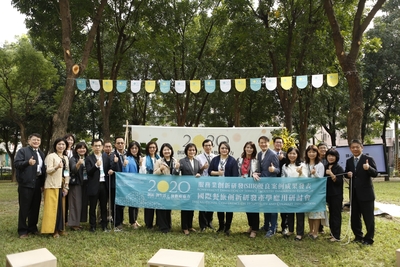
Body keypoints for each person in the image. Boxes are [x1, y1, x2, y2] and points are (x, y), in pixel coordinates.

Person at [345, 139, 378, 245]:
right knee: (355, 216)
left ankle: (369, 238)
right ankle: (358, 236)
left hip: (366, 194)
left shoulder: (368, 159)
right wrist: (348, 174)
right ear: (350, 149)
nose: (355, 149)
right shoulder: (349, 161)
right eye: (352, 147)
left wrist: (368, 168)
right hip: (353, 194)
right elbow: (347, 173)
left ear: (361, 147)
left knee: (368, 217)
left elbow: (375, 173)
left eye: (357, 147)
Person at [14, 133, 46, 238]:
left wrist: (42, 184)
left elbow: (43, 170)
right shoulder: (22, 151)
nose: (36, 141)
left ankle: (32, 228)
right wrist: (28, 162)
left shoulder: (41, 153)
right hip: (26, 184)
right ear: (29, 141)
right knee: (24, 207)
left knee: (35, 207)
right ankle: (22, 230)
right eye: (34, 140)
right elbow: (17, 164)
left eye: (38, 140)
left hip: (37, 183)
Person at [41, 138, 70, 238]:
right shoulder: (51, 156)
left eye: (63, 144)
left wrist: (66, 186)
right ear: (55, 146)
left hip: (61, 186)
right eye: (59, 144)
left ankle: (60, 228)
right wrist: (57, 167)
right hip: (52, 185)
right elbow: (48, 170)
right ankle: (52, 230)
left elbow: (67, 173)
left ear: (65, 146)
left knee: (61, 209)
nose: (61, 146)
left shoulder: (65, 158)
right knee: (52, 209)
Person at [208, 141, 239, 236]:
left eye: (226, 148)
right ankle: (221, 225)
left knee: (229, 207)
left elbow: (235, 175)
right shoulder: (215, 159)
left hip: (229, 188)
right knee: (219, 206)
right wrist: (217, 173)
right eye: (222, 148)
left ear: (229, 150)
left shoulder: (232, 160)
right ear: (219, 149)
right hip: (217, 187)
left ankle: (228, 227)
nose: (224, 150)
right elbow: (209, 171)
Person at [281, 147, 307, 241]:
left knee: (299, 213)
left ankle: (299, 233)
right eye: (290, 153)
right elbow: (283, 178)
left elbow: (305, 179)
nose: (292, 155)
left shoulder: (302, 165)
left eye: (294, 154)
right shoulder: (285, 166)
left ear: (298, 155)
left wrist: (300, 173)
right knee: (290, 212)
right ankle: (291, 230)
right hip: (288, 192)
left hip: (299, 192)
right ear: (287, 155)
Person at [85, 139, 111, 232]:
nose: (97, 147)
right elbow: (89, 172)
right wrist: (96, 165)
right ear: (92, 147)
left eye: (99, 145)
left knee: (103, 207)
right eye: (95, 145)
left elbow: (109, 168)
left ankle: (104, 225)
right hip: (94, 185)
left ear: (102, 147)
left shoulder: (106, 157)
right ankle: (92, 225)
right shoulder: (88, 158)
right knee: (92, 207)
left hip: (104, 184)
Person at [154, 143, 180, 233]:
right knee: (161, 207)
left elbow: (178, 175)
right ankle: (163, 227)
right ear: (162, 151)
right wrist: (160, 169)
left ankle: (168, 225)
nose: (167, 151)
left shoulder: (175, 161)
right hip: (161, 187)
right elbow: (154, 174)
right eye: (164, 150)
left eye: (168, 149)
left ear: (171, 151)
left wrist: (177, 169)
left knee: (168, 207)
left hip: (171, 188)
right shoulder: (158, 161)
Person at [257, 136, 280, 238]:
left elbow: (278, 170)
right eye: (261, 143)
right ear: (259, 144)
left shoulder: (273, 154)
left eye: (265, 143)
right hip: (263, 184)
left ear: (268, 143)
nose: (263, 144)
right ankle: (266, 225)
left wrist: (273, 170)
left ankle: (273, 227)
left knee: (272, 207)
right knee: (266, 205)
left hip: (272, 185)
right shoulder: (259, 154)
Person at [237, 141, 260, 238]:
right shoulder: (239, 160)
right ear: (244, 148)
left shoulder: (256, 161)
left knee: (254, 208)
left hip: (253, 188)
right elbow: (237, 172)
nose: (249, 149)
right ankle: (251, 226)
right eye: (247, 147)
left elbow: (259, 172)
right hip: (243, 188)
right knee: (247, 208)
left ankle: (255, 229)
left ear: (254, 150)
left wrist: (256, 174)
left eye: (251, 148)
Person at [179, 143, 201, 235]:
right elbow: (177, 172)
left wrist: (199, 174)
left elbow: (198, 172)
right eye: (190, 150)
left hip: (194, 188)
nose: (192, 151)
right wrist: (176, 168)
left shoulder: (197, 161)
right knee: (185, 208)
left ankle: (190, 225)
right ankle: (184, 227)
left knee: (192, 207)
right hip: (185, 188)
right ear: (186, 151)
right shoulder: (182, 161)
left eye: (193, 150)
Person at [304, 145, 325, 240]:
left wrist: (315, 173)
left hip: (317, 192)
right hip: (307, 192)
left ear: (317, 153)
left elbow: (321, 179)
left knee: (316, 213)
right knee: (309, 212)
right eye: (309, 152)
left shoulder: (320, 165)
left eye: (313, 152)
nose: (311, 154)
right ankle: (310, 230)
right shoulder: (304, 164)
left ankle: (315, 232)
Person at [68, 142, 89, 231]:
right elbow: (73, 170)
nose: (82, 150)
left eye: (84, 148)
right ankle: (73, 224)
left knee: (83, 203)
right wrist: (78, 164)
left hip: (85, 183)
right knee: (75, 203)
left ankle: (79, 221)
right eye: (80, 148)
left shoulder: (88, 158)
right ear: (76, 150)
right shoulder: (73, 158)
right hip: (76, 183)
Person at [325, 148, 344, 242]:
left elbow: (339, 182)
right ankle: (332, 233)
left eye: (333, 156)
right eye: (329, 156)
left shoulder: (339, 168)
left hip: (336, 195)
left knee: (336, 215)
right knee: (331, 214)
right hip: (328, 195)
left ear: (336, 157)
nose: (331, 158)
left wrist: (331, 174)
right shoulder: (325, 166)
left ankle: (336, 236)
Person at [195, 139, 215, 231]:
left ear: (212, 146)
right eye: (206, 145)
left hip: (213, 183)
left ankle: (209, 222)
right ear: (203, 147)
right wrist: (202, 168)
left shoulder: (215, 157)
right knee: (202, 204)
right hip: (202, 183)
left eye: (209, 145)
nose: (208, 147)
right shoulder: (198, 158)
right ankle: (202, 224)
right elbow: (196, 171)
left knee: (211, 203)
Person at [109, 137, 128, 230]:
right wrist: (115, 163)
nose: (120, 144)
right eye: (118, 143)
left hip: (124, 184)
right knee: (115, 204)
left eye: (122, 143)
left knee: (122, 204)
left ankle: (121, 220)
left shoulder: (126, 155)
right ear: (115, 145)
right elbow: (111, 168)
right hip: (115, 184)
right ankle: (116, 223)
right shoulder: (113, 155)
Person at [139, 141, 160, 229]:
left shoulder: (160, 159)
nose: (152, 149)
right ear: (148, 149)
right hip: (148, 184)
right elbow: (142, 173)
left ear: (156, 149)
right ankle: (149, 224)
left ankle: (159, 223)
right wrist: (140, 165)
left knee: (158, 204)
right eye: (150, 147)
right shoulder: (144, 159)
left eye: (154, 147)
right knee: (149, 204)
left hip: (159, 184)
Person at [123, 141, 142, 229]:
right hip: (131, 184)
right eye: (132, 148)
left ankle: (135, 219)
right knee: (132, 203)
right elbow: (125, 173)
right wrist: (124, 165)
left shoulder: (140, 158)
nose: (134, 150)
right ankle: (132, 221)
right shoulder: (127, 159)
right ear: (130, 149)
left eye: (136, 148)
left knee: (137, 202)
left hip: (139, 183)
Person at [273, 136, 288, 234]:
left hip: (283, 184)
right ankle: (273, 225)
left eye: (280, 142)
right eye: (277, 142)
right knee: (272, 205)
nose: (278, 144)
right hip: (272, 183)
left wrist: (283, 159)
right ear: (273, 143)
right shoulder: (270, 154)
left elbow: (289, 165)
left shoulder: (287, 154)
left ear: (283, 144)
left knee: (283, 206)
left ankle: (284, 226)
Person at [317, 142, 329, 234]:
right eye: (321, 148)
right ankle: (319, 228)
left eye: (324, 148)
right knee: (319, 207)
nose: (323, 150)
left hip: (329, 186)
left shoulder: (330, 159)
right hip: (318, 187)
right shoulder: (316, 160)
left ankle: (332, 228)